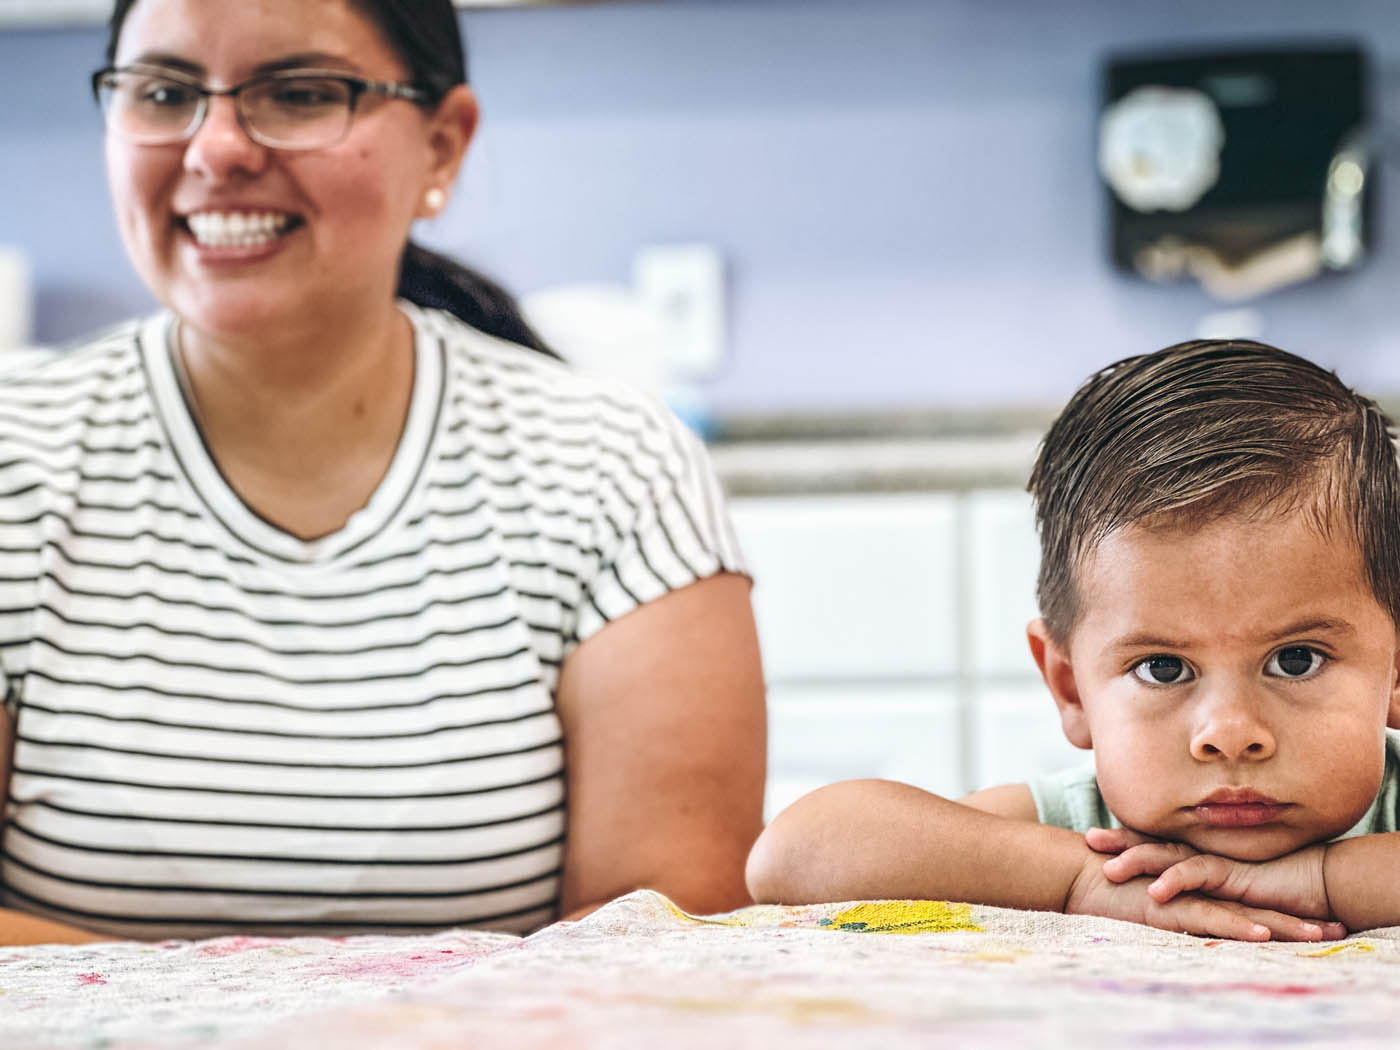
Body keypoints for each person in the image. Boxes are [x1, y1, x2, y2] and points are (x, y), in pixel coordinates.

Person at [0, 0, 766, 945]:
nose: (217, 149)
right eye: (164, 92)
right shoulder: (14, 461)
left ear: (442, 145)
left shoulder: (616, 470)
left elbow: (659, 936)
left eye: (301, 93)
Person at [747, 339, 1400, 942]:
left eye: (1294, 660)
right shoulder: (1081, 831)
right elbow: (793, 853)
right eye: (1164, 668)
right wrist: (1076, 880)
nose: (1229, 733)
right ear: (1070, 688)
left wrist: (1322, 881)